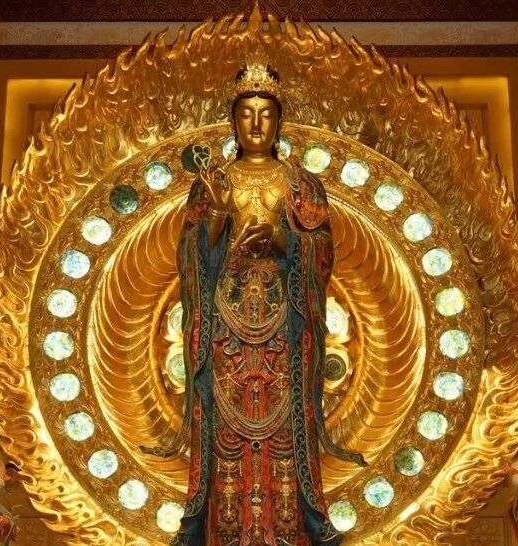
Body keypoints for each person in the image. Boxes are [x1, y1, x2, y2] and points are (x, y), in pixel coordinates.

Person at [143, 61, 363, 546]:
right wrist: (220, 215)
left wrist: (282, 240)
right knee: (221, 422)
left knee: (288, 423)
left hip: (285, 321)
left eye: (266, 113)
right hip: (227, 319)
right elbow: (192, 255)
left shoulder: (302, 185)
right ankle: (215, 525)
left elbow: (322, 251)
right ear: (233, 121)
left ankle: (297, 523)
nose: (257, 124)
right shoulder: (212, 181)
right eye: (246, 113)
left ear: (280, 122)